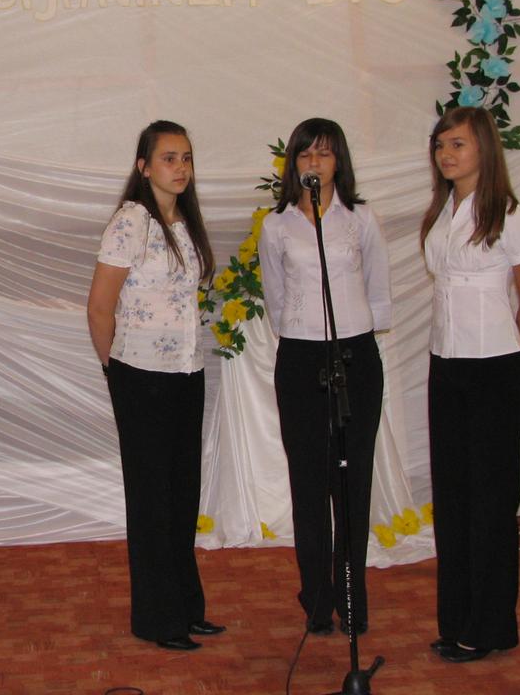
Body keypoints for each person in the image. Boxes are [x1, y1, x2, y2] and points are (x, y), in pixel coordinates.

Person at [86, 120, 224, 651]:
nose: (180, 167)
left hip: (186, 372)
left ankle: (187, 608)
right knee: (152, 502)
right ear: (143, 167)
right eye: (169, 158)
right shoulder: (131, 221)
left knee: (182, 494)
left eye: (186, 157)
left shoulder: (183, 223)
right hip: (140, 376)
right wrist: (114, 370)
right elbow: (99, 307)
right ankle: (157, 618)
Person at [257, 118, 391, 637]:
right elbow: (275, 296)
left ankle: (353, 594)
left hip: (355, 356)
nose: (314, 163)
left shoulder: (361, 219)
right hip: (300, 358)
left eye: (325, 154)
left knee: (351, 483)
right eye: (305, 154)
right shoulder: (277, 225)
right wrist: (301, 333)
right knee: (309, 483)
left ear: (340, 162)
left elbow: (377, 288)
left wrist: (358, 331)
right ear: (294, 163)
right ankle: (316, 596)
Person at [421, 107, 520, 663]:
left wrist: (512, 368)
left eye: (458, 144)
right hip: (446, 366)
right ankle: (456, 621)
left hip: (494, 367)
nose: (447, 154)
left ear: (484, 150)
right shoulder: (443, 213)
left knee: (491, 504)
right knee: (453, 499)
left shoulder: (512, 215)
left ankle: (489, 627)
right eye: (441, 145)